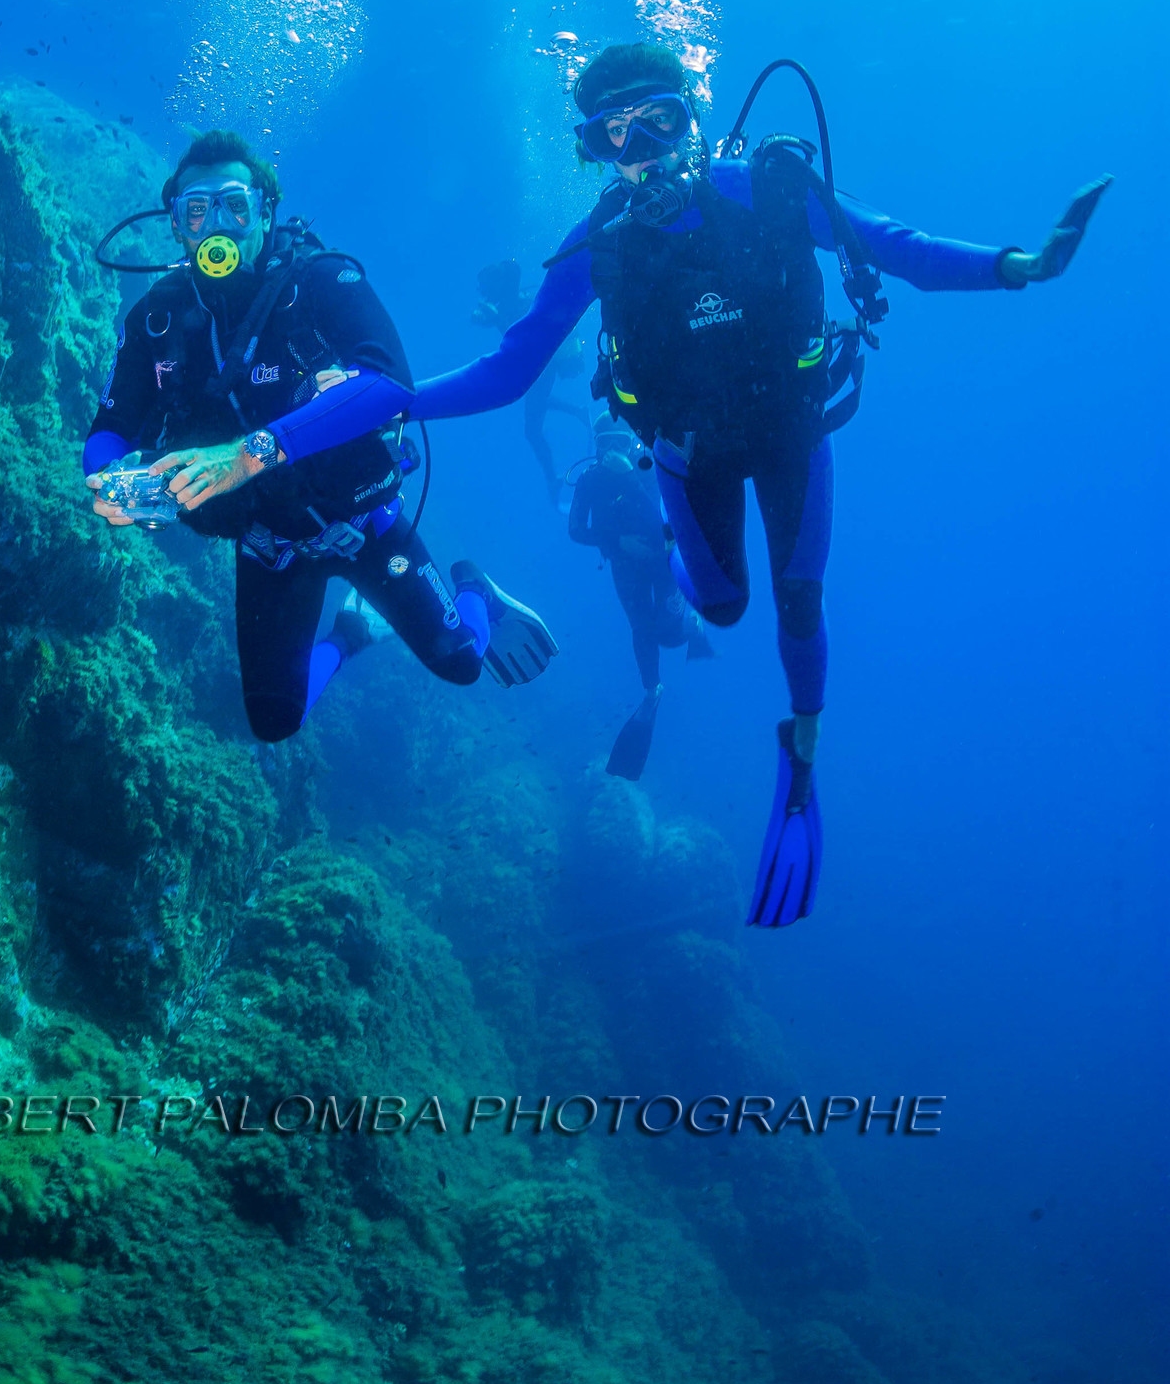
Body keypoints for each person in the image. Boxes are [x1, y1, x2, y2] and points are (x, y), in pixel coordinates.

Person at [171, 49, 1110, 927]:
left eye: (655, 126)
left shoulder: (771, 190)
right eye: (611, 140)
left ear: (693, 121)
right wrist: (387, 405)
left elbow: (891, 243)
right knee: (723, 606)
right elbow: (506, 371)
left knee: (797, 605)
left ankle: (804, 751)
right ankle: (675, 560)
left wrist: (1017, 267)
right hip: (682, 456)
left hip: (791, 439)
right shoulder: (600, 246)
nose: (638, 157)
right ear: (594, 153)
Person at [83, 130, 559, 742]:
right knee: (275, 722)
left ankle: (473, 587)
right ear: (176, 225)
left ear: (266, 209)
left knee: (464, 660)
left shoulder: (320, 281)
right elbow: (110, 429)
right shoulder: (156, 320)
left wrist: (246, 455)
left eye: (235, 203)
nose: (217, 226)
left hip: (362, 525)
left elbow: (390, 382)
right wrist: (112, 479)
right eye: (196, 210)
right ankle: (352, 636)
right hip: (266, 546)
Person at [568, 418, 706, 780]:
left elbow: (664, 519)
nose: (611, 452)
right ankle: (652, 689)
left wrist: (630, 477)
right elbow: (575, 529)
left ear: (632, 444)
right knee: (641, 627)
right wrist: (617, 544)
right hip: (625, 566)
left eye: (619, 442)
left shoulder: (648, 468)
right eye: (604, 444)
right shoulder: (589, 479)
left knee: (671, 634)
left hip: (662, 561)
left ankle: (690, 623)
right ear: (595, 447)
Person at [474, 258, 588, 500]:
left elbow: (523, 339)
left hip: (541, 369)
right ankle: (578, 411)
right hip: (535, 369)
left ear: (498, 285)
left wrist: (496, 318)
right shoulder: (509, 304)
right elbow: (483, 321)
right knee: (534, 402)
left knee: (532, 430)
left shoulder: (520, 306)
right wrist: (490, 317)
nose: (482, 291)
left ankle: (552, 480)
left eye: (486, 286)